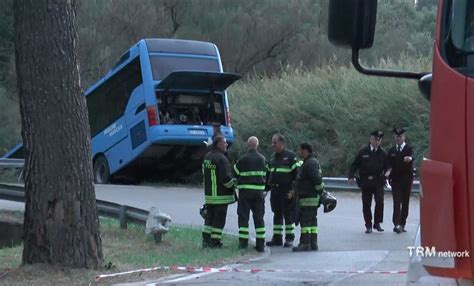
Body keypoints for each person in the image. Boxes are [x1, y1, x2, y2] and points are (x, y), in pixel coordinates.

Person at [348, 130, 391, 234]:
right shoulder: (363, 152)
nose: (377, 141)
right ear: (370, 139)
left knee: (380, 202)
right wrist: (351, 176)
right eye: (375, 139)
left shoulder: (383, 153)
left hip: (378, 181)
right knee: (366, 204)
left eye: (379, 140)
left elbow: (388, 167)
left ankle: (377, 223)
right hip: (366, 181)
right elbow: (354, 165)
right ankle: (368, 224)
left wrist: (387, 173)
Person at [234, 136, 267, 252]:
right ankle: (261, 244)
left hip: (245, 193)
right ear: (257, 145)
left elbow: (235, 173)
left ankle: (243, 244)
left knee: (243, 217)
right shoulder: (263, 159)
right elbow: (268, 175)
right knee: (259, 218)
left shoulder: (242, 159)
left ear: (248, 145)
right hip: (259, 193)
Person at [201, 135, 236, 248]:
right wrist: (232, 187)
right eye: (224, 142)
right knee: (219, 221)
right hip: (221, 196)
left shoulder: (208, 156)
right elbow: (225, 178)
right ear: (218, 144)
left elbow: (204, 173)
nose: (226, 144)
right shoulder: (221, 158)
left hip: (210, 196)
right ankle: (215, 243)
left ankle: (206, 241)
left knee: (209, 220)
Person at [266, 134, 299, 247]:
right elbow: (268, 175)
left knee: (288, 214)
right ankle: (277, 238)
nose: (273, 145)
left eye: (275, 142)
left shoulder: (291, 157)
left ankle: (289, 239)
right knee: (277, 214)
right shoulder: (272, 158)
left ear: (282, 143)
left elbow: (297, 176)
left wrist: (293, 191)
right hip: (275, 190)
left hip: (287, 191)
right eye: (272, 142)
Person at [292, 143, 325, 252]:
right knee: (312, 221)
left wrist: (321, 192)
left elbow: (316, 179)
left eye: (301, 150)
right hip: (312, 197)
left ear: (306, 151)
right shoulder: (312, 162)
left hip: (307, 197)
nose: (299, 152)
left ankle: (305, 243)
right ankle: (313, 243)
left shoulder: (310, 163)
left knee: (305, 221)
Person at [388, 128, 414, 233]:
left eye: (400, 136)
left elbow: (413, 156)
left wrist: (409, 159)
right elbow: (388, 163)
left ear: (404, 137)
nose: (398, 138)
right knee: (396, 202)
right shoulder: (392, 150)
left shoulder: (409, 148)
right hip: (395, 180)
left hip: (407, 180)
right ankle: (397, 224)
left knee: (405, 202)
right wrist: (388, 171)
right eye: (397, 137)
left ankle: (403, 223)